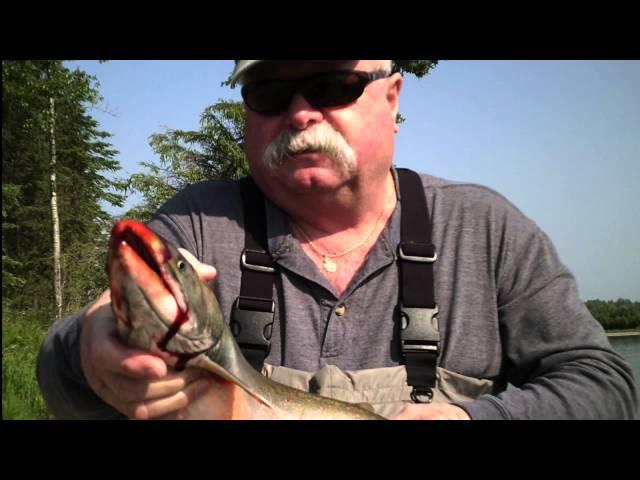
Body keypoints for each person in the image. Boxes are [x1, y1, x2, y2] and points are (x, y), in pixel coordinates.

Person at [37, 60, 638, 420]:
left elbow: (606, 385)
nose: (300, 113)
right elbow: (63, 368)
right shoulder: (196, 223)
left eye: (331, 84)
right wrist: (91, 341)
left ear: (393, 97)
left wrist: (472, 417)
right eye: (270, 92)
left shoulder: (487, 228)